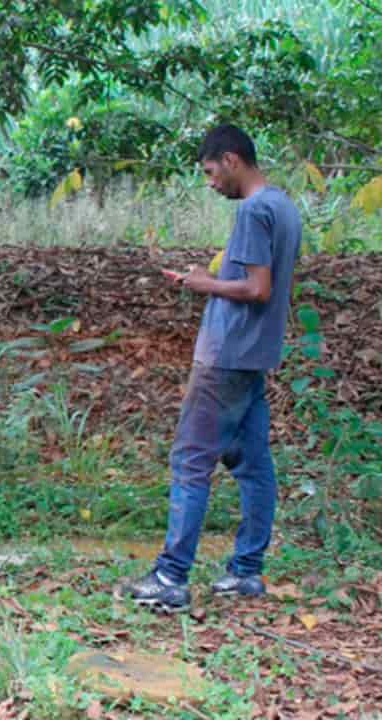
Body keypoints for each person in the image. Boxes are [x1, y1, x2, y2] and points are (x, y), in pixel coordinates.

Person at [120, 125, 302, 613]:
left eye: (209, 171)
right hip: (256, 356)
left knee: (190, 461)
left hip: (226, 356)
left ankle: (170, 576)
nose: (209, 182)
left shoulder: (253, 210)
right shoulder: (284, 206)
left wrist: (204, 284)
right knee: (253, 464)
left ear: (231, 160)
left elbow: (256, 288)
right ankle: (246, 571)